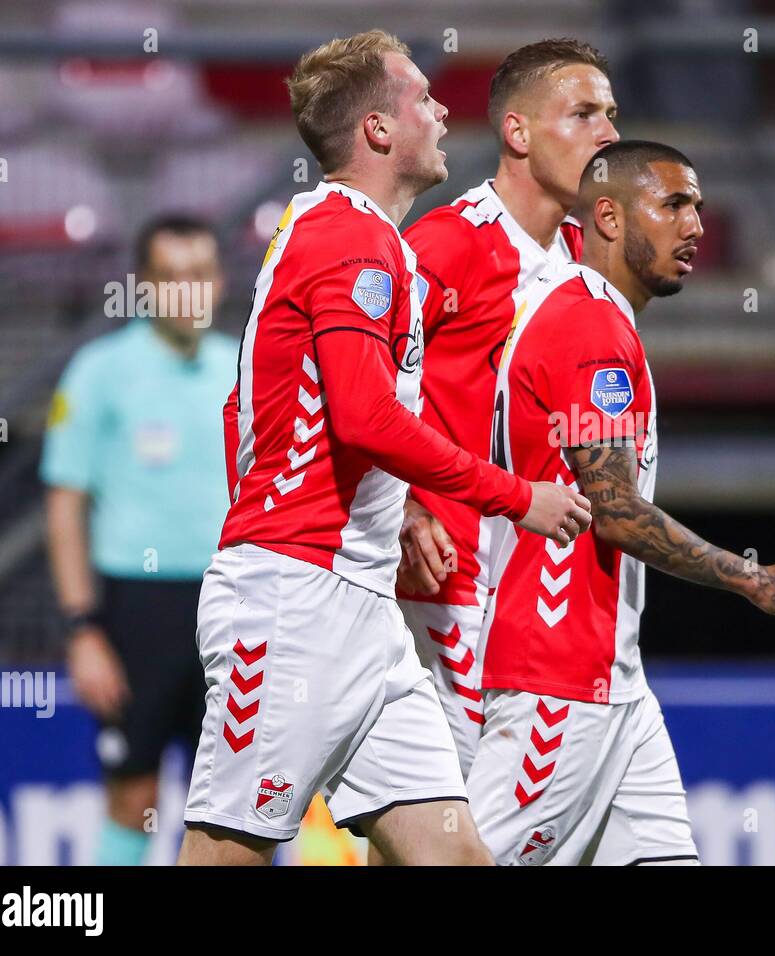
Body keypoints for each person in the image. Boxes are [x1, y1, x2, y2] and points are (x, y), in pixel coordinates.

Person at [177, 29, 590, 866]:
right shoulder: (351, 238)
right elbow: (365, 418)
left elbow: (242, 411)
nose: (443, 112)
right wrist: (516, 496)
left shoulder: (348, 236)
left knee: (453, 856)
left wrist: (391, 510)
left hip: (360, 610)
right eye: (422, 99)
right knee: (225, 857)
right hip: (296, 605)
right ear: (377, 130)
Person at [466, 141, 775, 865]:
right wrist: (749, 578)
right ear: (607, 216)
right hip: (558, 681)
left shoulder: (586, 315)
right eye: (672, 204)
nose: (694, 224)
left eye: (696, 205)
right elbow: (616, 511)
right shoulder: (590, 327)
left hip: (614, 682)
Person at [394, 38, 618, 777]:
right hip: (451, 577)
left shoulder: (588, 262)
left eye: (612, 114)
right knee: (455, 824)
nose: (608, 134)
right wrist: (400, 509)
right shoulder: (446, 246)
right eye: (583, 113)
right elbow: (353, 384)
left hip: (545, 594)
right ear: (517, 133)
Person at [42, 214, 236, 865]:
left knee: (237, 807)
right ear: (145, 286)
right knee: (134, 794)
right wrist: (83, 628)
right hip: (136, 612)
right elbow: (66, 502)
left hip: (233, 606)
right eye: (173, 277)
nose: (190, 291)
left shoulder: (245, 367)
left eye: (201, 275)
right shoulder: (99, 372)